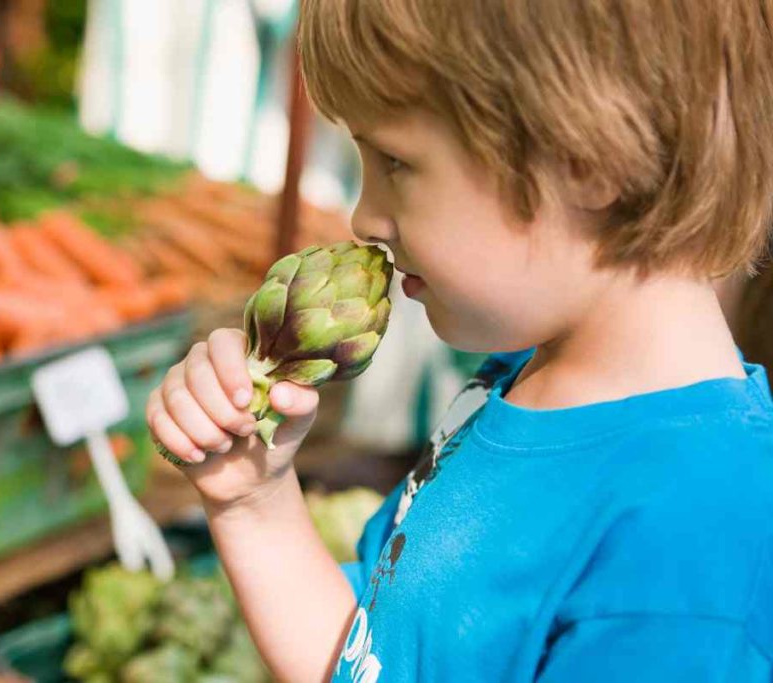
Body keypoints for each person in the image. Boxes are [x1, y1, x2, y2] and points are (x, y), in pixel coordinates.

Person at [146, 1, 773, 680]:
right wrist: (253, 502)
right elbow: (374, 656)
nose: (364, 217)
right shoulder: (510, 386)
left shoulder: (688, 547)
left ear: (590, 160)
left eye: (394, 161)